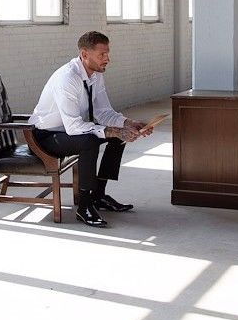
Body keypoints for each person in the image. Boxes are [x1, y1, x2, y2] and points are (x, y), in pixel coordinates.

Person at [30, 31, 154, 228]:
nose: (107, 59)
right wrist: (114, 130)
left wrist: (128, 123)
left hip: (67, 131)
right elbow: (73, 126)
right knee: (90, 141)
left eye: (107, 53)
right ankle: (84, 206)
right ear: (84, 54)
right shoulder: (67, 78)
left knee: (115, 137)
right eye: (102, 54)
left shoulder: (95, 74)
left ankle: (98, 195)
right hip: (46, 136)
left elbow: (103, 112)